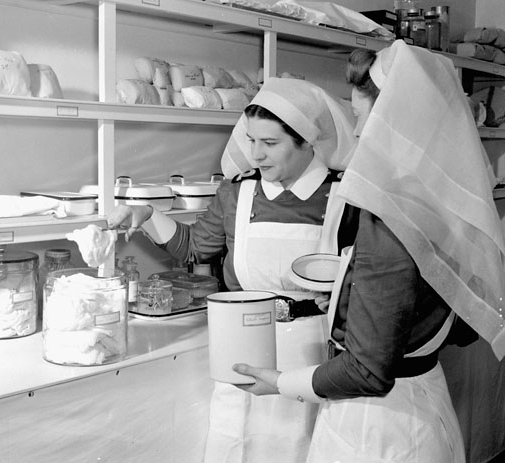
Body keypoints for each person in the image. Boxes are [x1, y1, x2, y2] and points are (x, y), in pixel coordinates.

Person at [233, 40, 505, 463]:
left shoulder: (388, 219)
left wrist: (279, 382)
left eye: (361, 117)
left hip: (377, 430)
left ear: (394, 121)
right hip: (427, 404)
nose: (356, 132)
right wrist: (353, 298)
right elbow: (464, 325)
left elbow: (366, 371)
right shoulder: (436, 205)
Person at [107, 77, 359, 462]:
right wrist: (145, 216)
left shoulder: (345, 197)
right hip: (242, 339)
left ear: (307, 140)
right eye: (251, 140)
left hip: (310, 349)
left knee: (296, 444)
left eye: (270, 143)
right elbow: (194, 247)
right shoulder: (237, 192)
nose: (255, 154)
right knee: (237, 440)